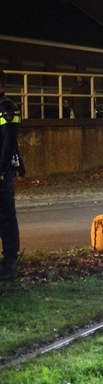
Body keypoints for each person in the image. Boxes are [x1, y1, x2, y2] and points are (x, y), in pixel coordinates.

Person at [0, 70, 25, 280]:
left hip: (2, 172)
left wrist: (0, 170)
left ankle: (10, 263)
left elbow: (9, 143)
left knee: (6, 217)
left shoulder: (7, 107)